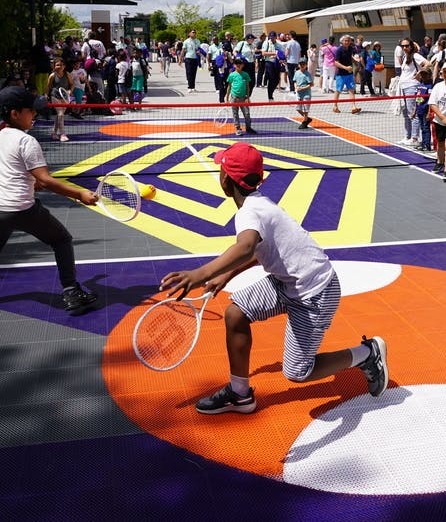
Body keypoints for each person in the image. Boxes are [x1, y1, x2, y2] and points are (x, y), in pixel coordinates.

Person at [159, 142, 388, 414]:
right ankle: (240, 394)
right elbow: (263, 249)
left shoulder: (249, 212)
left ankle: (367, 354)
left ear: (225, 180)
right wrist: (227, 274)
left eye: (221, 169)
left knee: (298, 372)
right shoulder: (259, 205)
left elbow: (246, 247)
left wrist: (201, 274)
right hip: (287, 282)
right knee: (235, 313)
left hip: (315, 293)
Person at [0, 86, 99, 315]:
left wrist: (33, 181)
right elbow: (46, 180)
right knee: (61, 240)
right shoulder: (27, 141)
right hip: (20, 209)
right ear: (15, 114)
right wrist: (80, 194)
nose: (35, 114)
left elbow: (14, 170)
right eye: (30, 110)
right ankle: (71, 292)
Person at [395, 37, 429, 146]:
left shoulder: (415, 56)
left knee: (413, 113)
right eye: (403, 46)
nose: (404, 48)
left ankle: (415, 138)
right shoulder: (405, 57)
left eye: (407, 46)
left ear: (411, 46)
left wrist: (419, 73)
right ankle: (407, 136)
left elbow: (428, 64)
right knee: (406, 113)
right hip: (403, 87)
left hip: (412, 87)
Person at [226, 57, 256, 136]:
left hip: (244, 97)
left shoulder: (245, 75)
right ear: (234, 65)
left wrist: (248, 97)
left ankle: (248, 128)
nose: (238, 65)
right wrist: (227, 97)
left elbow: (247, 86)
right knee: (235, 114)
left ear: (243, 65)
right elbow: (229, 86)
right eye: (236, 64)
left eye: (240, 64)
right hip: (234, 97)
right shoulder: (232, 75)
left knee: (247, 113)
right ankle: (238, 128)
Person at [332, 35, 361, 114]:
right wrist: (345, 68)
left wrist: (355, 61)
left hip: (349, 74)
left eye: (348, 40)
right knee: (338, 90)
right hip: (340, 74)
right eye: (345, 40)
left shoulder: (351, 48)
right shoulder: (339, 50)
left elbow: (350, 57)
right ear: (342, 41)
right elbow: (336, 63)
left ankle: (353, 107)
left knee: (351, 90)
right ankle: (335, 106)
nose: (347, 42)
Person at [45, 58, 72, 142]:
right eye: (57, 65)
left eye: (61, 65)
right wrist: (46, 96)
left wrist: (69, 91)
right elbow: (48, 87)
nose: (59, 67)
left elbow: (72, 84)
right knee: (60, 114)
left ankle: (54, 132)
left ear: (64, 66)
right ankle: (63, 134)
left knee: (59, 116)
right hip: (55, 96)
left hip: (65, 97)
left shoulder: (67, 74)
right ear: (54, 66)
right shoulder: (52, 75)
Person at [292, 56, 314, 129]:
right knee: (298, 108)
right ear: (298, 65)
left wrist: (302, 88)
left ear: (306, 65)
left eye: (303, 64)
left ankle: (305, 122)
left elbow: (311, 84)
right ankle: (307, 118)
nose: (302, 65)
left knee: (306, 109)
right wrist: (296, 87)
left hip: (306, 94)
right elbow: (295, 81)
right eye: (300, 64)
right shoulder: (296, 73)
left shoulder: (307, 74)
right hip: (299, 94)